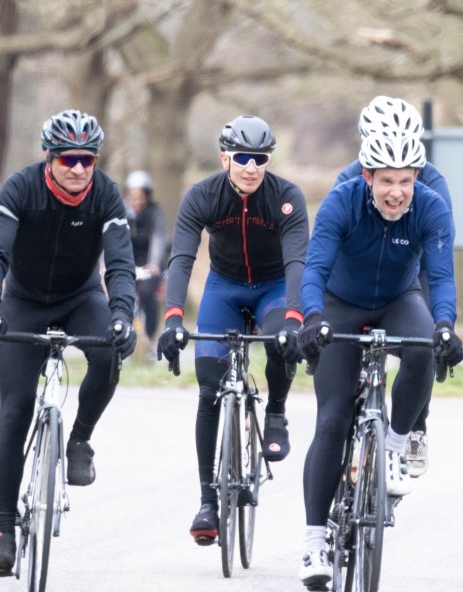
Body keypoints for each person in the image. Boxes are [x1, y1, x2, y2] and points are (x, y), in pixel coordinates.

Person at [296, 129, 463, 588]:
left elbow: (442, 277)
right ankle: (314, 541)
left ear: (417, 178)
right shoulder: (342, 201)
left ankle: (394, 443)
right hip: (340, 303)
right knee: (331, 419)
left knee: (423, 348)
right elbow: (314, 268)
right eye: (386, 180)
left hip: (398, 299)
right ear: (368, 175)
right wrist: (312, 318)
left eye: (405, 181)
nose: (396, 192)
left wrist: (446, 325)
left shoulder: (431, 207)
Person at [0, 109, 137, 576]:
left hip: (80, 296)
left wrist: (123, 315)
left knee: (107, 351)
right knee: (15, 410)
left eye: (88, 160)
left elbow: (121, 266)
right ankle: (4, 530)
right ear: (50, 157)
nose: (79, 168)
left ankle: (80, 438)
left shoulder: (105, 194)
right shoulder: (21, 188)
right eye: (69, 158)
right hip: (24, 300)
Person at [155, 115, 309, 545]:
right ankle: (207, 501)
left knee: (281, 340)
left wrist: (296, 317)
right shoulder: (202, 196)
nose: (251, 167)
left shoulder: (286, 197)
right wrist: (171, 318)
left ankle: (276, 412)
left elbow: (299, 261)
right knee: (208, 388)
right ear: (225, 157)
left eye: (260, 158)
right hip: (224, 289)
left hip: (273, 287)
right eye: (242, 157)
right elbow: (182, 257)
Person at [333, 95, 455, 478]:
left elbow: (439, 257)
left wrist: (442, 327)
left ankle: (416, 425)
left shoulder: (432, 182)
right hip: (361, 273)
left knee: (427, 339)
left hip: (412, 269)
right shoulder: (349, 177)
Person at [123, 170, 168, 354]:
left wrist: (154, 263)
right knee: (124, 295)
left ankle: (150, 337)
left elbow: (159, 239)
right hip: (128, 262)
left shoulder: (154, 214)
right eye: (133, 197)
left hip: (150, 264)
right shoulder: (121, 214)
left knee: (148, 294)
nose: (137, 201)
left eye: (140, 197)